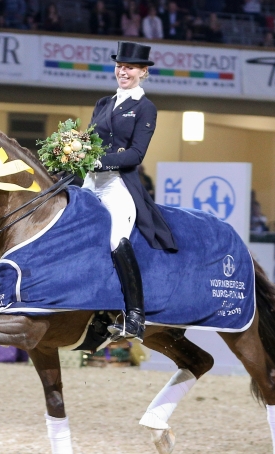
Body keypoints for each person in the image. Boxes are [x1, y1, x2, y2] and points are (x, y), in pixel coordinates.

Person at [87, 41, 177, 341]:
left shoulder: (145, 107)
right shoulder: (103, 104)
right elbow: (88, 141)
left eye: (129, 67)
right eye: (120, 66)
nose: (122, 71)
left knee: (115, 239)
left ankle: (136, 315)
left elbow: (136, 154)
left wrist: (100, 161)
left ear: (143, 71)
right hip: (90, 181)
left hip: (118, 184)